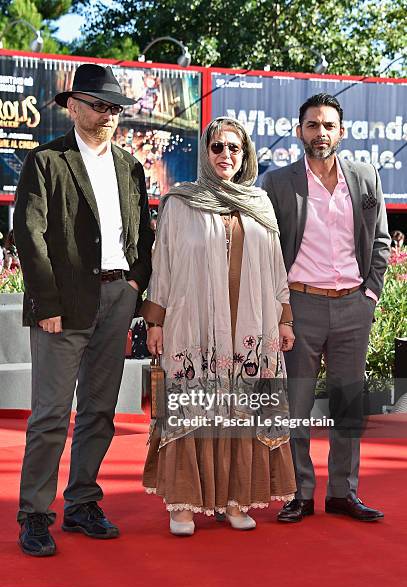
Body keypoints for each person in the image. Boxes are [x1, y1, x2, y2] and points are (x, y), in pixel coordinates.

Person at [13, 63, 154, 556]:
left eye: (115, 107)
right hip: (63, 304)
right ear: (72, 106)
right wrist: (46, 301)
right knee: (51, 414)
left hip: (118, 298)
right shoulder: (46, 162)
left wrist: (137, 283)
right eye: (99, 105)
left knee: (99, 411)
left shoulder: (130, 166)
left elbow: (142, 235)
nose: (109, 114)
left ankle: (82, 503)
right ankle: (34, 513)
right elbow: (28, 236)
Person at [141, 117, 297, 536]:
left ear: (245, 155)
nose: (226, 155)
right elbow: (164, 265)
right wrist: (154, 321)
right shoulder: (180, 202)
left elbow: (277, 268)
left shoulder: (259, 204)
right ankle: (183, 506)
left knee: (241, 409)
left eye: (234, 148)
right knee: (192, 404)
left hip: (251, 327)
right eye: (217, 147)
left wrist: (284, 318)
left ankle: (235, 500)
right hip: (194, 325)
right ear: (206, 153)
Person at [262, 93, 391, 523]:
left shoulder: (365, 176)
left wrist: (369, 296)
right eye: (313, 125)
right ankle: (299, 493)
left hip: (353, 306)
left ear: (342, 131)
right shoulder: (277, 183)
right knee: (296, 405)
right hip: (301, 305)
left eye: (328, 125)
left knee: (347, 405)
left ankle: (343, 493)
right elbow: (266, 250)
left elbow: (382, 242)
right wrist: (280, 308)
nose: (321, 133)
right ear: (300, 131)